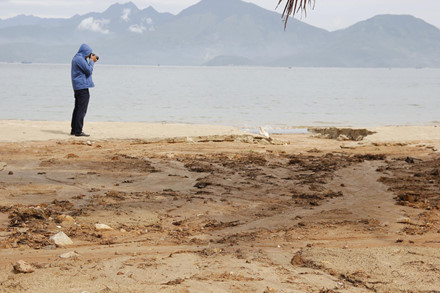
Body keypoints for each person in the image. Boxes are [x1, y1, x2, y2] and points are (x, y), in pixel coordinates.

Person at [70, 43, 98, 137]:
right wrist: (92, 61)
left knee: (77, 109)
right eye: (89, 53)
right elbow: (89, 71)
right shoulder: (80, 59)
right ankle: (78, 131)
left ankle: (74, 129)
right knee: (82, 110)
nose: (89, 55)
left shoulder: (77, 58)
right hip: (82, 87)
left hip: (78, 87)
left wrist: (90, 61)